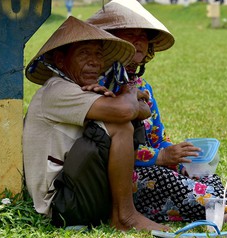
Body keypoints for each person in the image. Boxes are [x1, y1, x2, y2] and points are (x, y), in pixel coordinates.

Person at [87, 0, 227, 226]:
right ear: (113, 42)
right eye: (130, 34)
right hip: (118, 179)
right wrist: (159, 158)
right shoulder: (101, 86)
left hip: (150, 167)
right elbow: (108, 148)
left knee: (200, 176)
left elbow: (156, 137)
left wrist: (175, 155)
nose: (139, 41)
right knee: (159, 178)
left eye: (143, 36)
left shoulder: (142, 87)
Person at [23, 16, 169, 232]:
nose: (94, 62)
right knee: (119, 125)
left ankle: (120, 213)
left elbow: (143, 110)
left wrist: (116, 100)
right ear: (61, 61)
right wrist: (128, 91)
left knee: (124, 121)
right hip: (59, 205)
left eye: (98, 55)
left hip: (78, 192)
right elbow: (128, 110)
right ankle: (125, 216)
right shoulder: (57, 90)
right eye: (84, 54)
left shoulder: (79, 88)